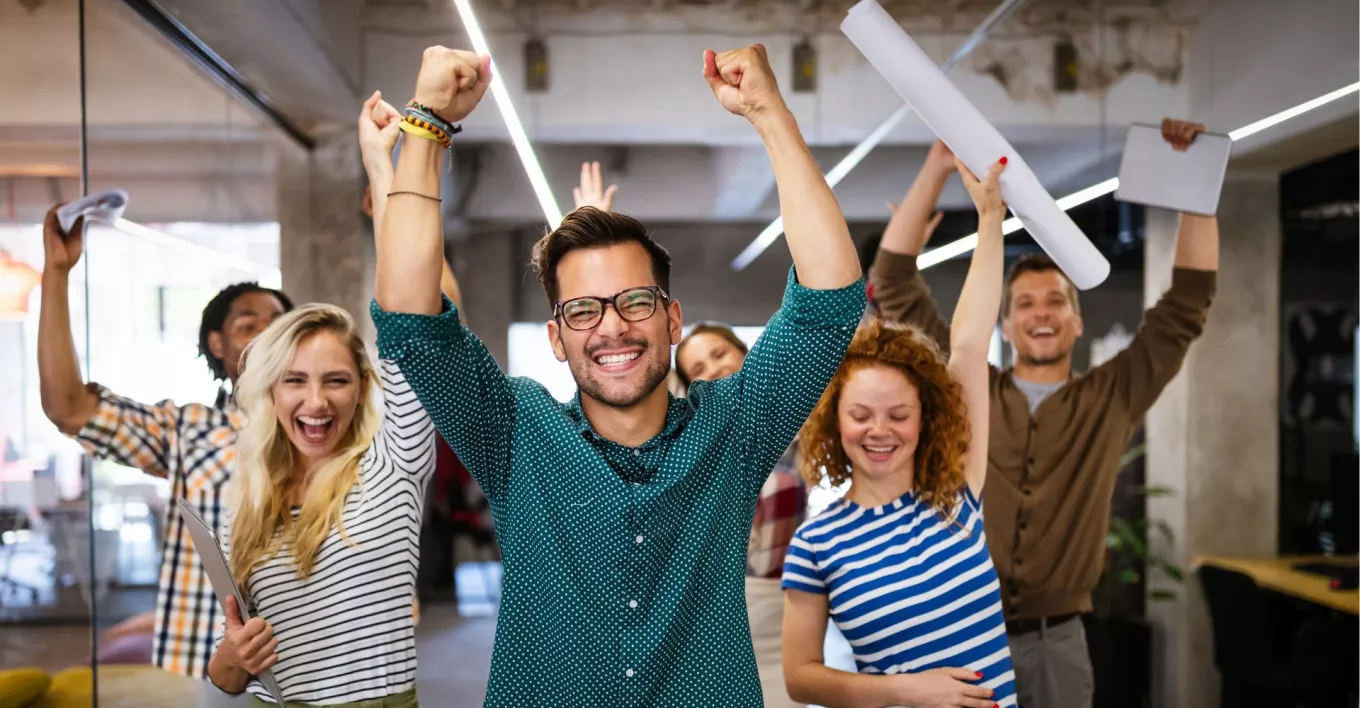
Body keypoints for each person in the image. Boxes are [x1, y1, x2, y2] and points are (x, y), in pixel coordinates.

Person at [371, 44, 865, 706]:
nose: (612, 327)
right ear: (555, 337)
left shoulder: (734, 427)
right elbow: (409, 318)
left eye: (636, 301)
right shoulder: (515, 431)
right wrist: (427, 124)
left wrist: (768, 113)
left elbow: (830, 303)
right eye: (583, 310)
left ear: (672, 320)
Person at [870, 119, 1218, 708]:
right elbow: (895, 281)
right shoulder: (965, 388)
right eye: (1024, 303)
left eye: (1056, 299)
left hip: (1056, 645)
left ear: (1077, 320)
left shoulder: (1113, 396)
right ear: (1004, 325)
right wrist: (937, 161)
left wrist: (1193, 179)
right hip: (957, 640)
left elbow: (1186, 304)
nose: (1041, 312)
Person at [780, 156, 1013, 708]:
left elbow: (971, 344)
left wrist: (990, 218)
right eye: (861, 415)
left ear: (926, 419)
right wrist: (906, 689)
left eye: (899, 415)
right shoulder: (815, 544)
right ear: (835, 423)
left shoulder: (957, 495)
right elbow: (801, 676)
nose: (879, 430)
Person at [37, 204, 293, 681]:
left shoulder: (324, 427)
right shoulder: (189, 430)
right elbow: (68, 407)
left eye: (278, 322)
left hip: (312, 665)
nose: (266, 333)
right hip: (206, 669)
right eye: (247, 324)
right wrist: (56, 273)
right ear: (218, 345)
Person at [206, 304, 435, 707]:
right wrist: (236, 652)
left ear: (363, 386)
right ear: (271, 388)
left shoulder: (395, 463)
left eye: (336, 381)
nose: (316, 403)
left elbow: (414, 318)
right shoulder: (246, 507)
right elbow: (226, 677)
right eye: (294, 380)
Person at [674, 323, 806, 708]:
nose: (713, 369)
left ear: (745, 352)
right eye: (698, 368)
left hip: (791, 613)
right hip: (722, 618)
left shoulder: (796, 420)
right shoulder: (694, 450)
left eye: (719, 354)